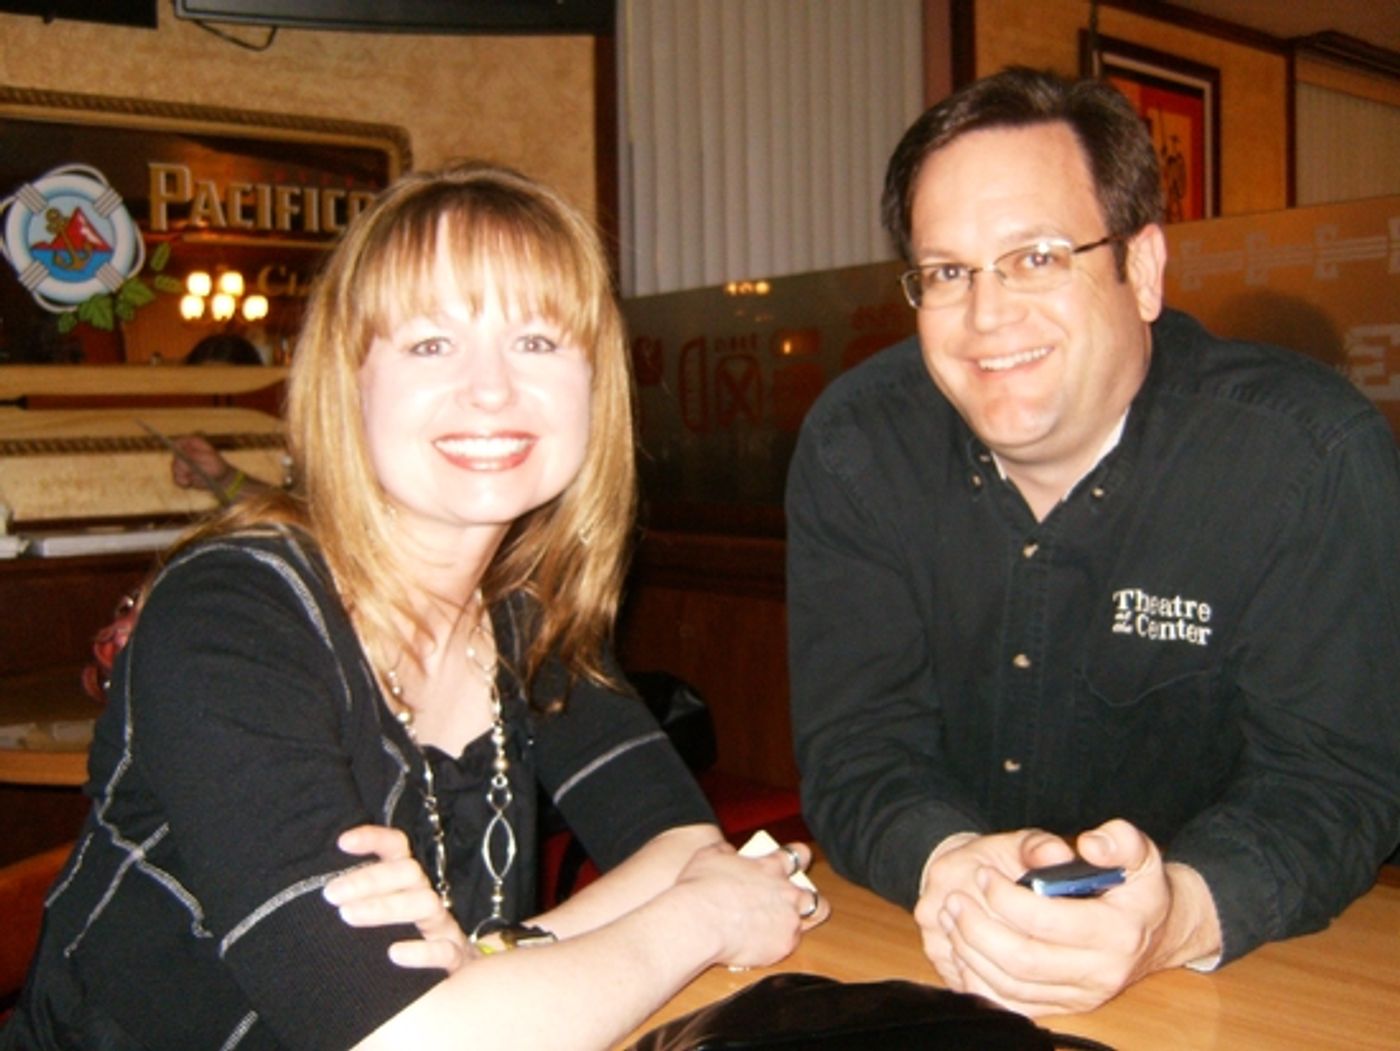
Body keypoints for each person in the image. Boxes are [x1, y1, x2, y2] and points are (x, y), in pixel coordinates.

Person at [6, 162, 825, 1051]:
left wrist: (493, 961)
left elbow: (680, 841)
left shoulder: (522, 614)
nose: (492, 389)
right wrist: (703, 919)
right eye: (431, 344)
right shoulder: (233, 613)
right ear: (349, 382)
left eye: (538, 340)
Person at [786, 67, 1400, 1017]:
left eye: (1036, 257)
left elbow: (1338, 780)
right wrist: (946, 859)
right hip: (938, 965)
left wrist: (1180, 915)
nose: (987, 316)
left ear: (1141, 269)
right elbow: (858, 744)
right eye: (948, 272)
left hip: (1230, 988)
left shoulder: (1303, 457)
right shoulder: (858, 446)